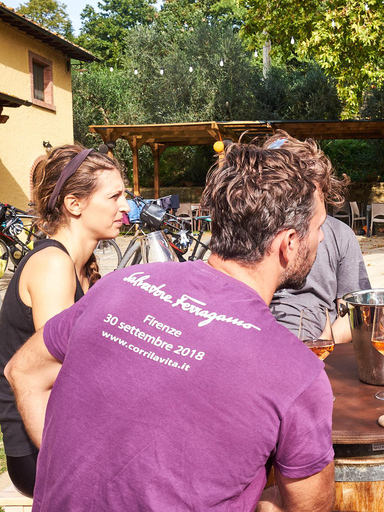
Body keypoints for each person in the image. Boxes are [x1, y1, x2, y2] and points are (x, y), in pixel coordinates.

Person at [5, 143, 335, 511]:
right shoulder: (296, 372)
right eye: (319, 227)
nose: (321, 238)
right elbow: (309, 506)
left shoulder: (122, 284)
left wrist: (76, 469)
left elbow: (23, 371)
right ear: (289, 243)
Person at [0, 145, 129, 497]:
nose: (126, 206)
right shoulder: (53, 265)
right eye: (115, 196)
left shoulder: (82, 266)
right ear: (74, 204)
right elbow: (64, 372)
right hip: (38, 447)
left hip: (64, 430)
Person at [265, 132, 371, 343]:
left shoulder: (339, 235)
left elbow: (357, 313)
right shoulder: (250, 232)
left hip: (319, 343)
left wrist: (324, 343)